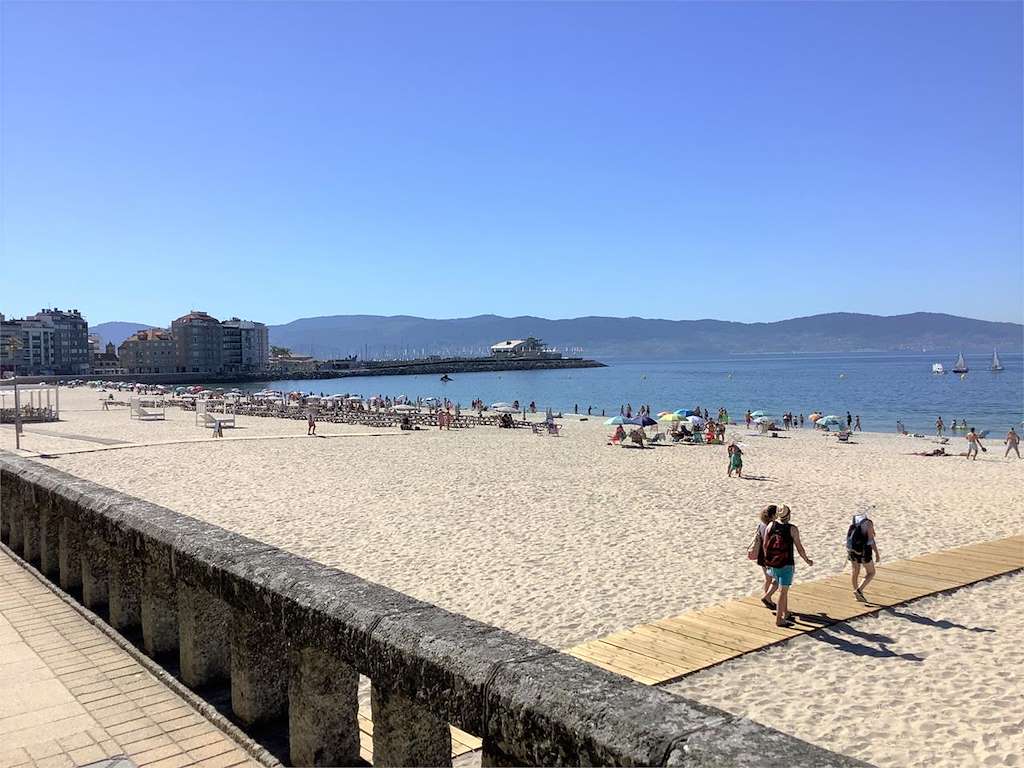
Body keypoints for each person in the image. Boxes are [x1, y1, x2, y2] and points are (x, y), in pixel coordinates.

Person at [762, 506, 813, 627]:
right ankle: (779, 619)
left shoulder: (770, 526)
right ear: (789, 515)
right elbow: (799, 548)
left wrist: (768, 560)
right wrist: (807, 560)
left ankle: (786, 613)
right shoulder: (792, 529)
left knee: (779, 587)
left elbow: (765, 545)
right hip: (787, 564)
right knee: (783, 592)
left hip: (773, 563)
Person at [748, 505, 778, 608]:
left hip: (761, 554)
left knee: (767, 578)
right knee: (778, 578)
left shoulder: (761, 524)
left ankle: (767, 599)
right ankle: (767, 597)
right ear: (773, 515)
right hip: (769, 555)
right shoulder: (772, 527)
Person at [846, 510, 879, 601]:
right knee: (871, 572)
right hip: (864, 550)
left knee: (855, 571)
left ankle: (857, 593)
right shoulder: (868, 523)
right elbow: (871, 540)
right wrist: (876, 553)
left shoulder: (854, 523)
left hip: (852, 549)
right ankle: (859, 591)